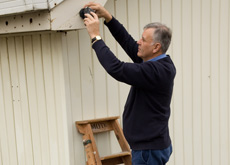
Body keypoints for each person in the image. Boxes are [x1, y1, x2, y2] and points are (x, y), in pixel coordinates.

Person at [82, 2, 176, 165]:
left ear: (156, 47)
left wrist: (96, 37)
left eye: (143, 39)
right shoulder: (157, 62)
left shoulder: (156, 71)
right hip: (151, 147)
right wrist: (108, 18)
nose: (138, 41)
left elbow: (116, 68)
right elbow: (129, 43)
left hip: (148, 151)